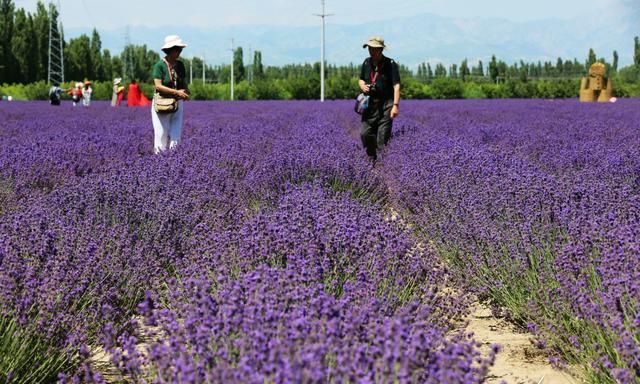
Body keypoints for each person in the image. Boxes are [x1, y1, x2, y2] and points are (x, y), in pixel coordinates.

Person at [358, 36, 401, 165]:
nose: (371, 51)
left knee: (383, 137)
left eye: (374, 49)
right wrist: (362, 85)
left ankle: (382, 166)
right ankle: (372, 156)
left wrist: (395, 105)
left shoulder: (390, 64)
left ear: (381, 49)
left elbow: (396, 85)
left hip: (386, 104)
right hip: (370, 105)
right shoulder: (366, 62)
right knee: (365, 133)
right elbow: (361, 79)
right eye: (370, 48)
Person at [151, 35, 189, 154]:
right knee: (161, 133)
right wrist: (176, 92)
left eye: (180, 49)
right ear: (170, 50)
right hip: (162, 102)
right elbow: (158, 86)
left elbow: (182, 82)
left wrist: (185, 92)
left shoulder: (181, 65)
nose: (179, 52)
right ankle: (159, 162)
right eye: (177, 49)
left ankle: (174, 160)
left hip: (177, 103)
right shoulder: (159, 66)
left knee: (176, 134)